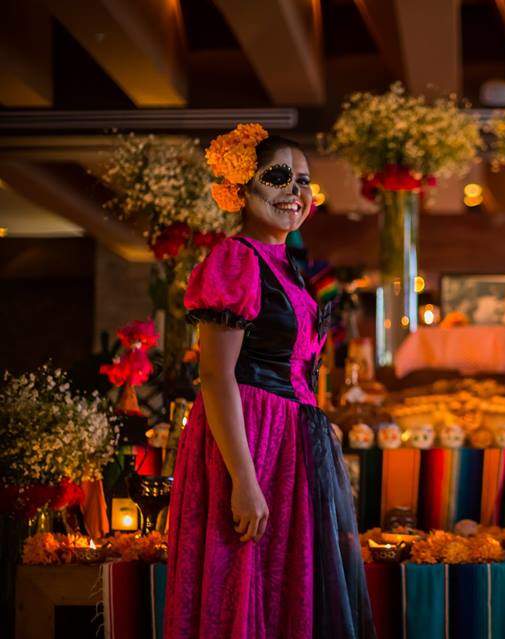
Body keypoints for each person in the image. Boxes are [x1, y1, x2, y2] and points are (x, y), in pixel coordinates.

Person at [164, 124, 375, 638]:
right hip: (251, 439)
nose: (294, 193)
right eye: (278, 177)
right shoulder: (236, 259)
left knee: (287, 585)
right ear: (241, 189)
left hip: (290, 442)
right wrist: (244, 480)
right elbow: (215, 377)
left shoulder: (288, 266)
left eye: (302, 181)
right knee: (246, 580)